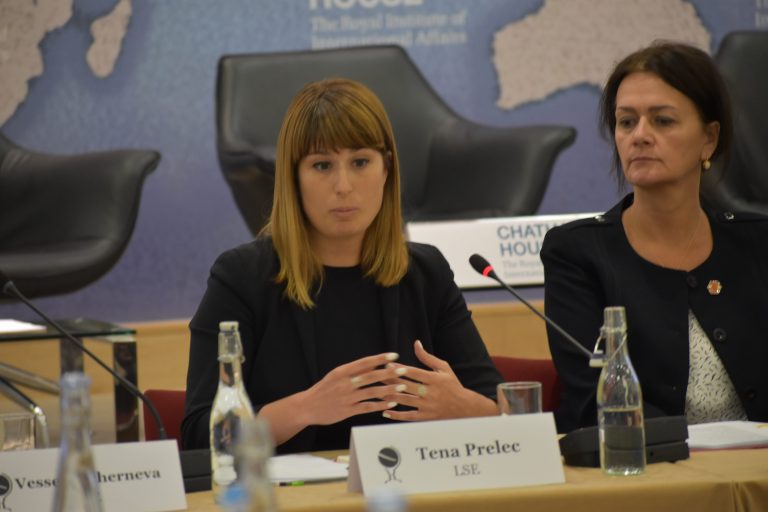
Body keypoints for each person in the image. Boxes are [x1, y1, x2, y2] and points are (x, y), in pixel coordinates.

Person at [181, 78, 501, 453]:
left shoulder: (426, 273)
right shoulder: (241, 278)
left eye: (360, 162)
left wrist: (462, 407)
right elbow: (200, 436)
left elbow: (504, 413)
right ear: (293, 178)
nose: (344, 185)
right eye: (322, 165)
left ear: (386, 169)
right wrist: (304, 409)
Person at [541, 42, 768, 433]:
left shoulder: (758, 242)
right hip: (648, 465)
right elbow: (593, 400)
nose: (640, 135)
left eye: (663, 120)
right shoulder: (576, 253)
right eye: (627, 122)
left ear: (709, 138)